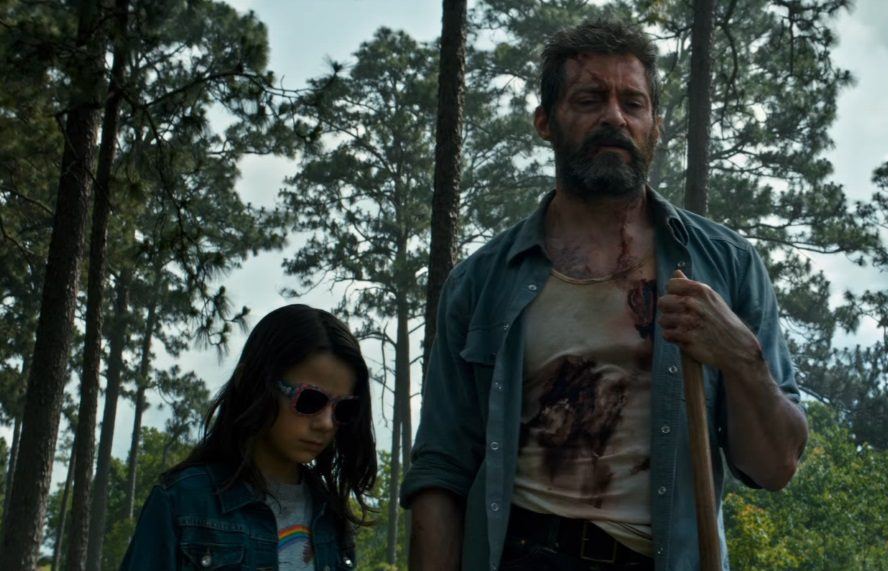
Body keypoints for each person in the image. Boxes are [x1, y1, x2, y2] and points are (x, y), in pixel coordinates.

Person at [402, 19, 809, 571]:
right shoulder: (481, 283)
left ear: (655, 125)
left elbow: (776, 467)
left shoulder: (725, 265)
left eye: (632, 103)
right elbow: (441, 468)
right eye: (589, 100)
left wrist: (741, 357)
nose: (614, 117)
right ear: (545, 122)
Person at [120, 304, 377, 570]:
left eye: (343, 409)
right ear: (251, 383)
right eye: (310, 400)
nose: (326, 423)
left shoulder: (332, 517)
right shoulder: (182, 503)